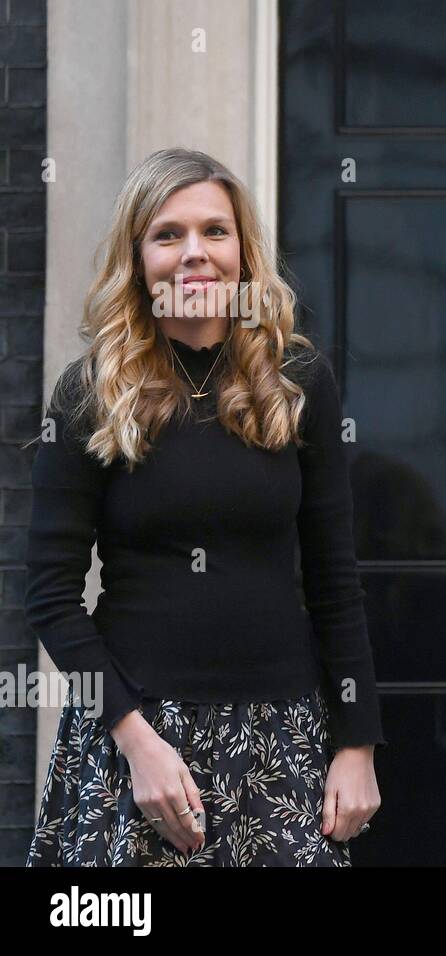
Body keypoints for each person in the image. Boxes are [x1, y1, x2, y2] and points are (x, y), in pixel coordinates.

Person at [25, 148, 384, 866]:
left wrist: (357, 743)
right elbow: (50, 594)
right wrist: (135, 740)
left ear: (244, 251)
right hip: (135, 738)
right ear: (139, 258)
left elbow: (335, 579)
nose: (196, 254)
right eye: (168, 235)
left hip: (280, 735)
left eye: (215, 232)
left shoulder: (297, 380)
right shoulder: (92, 391)